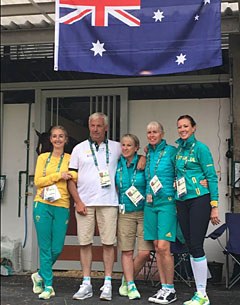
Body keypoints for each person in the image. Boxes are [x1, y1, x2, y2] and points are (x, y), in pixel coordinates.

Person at [68, 112, 122, 301]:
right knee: (85, 243)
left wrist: (142, 157)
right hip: (85, 203)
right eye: (93, 125)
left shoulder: (117, 147)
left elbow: (133, 160)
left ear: (106, 127)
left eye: (99, 126)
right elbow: (71, 180)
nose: (96, 129)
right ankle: (86, 283)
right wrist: (78, 201)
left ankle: (107, 283)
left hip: (109, 202)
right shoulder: (78, 149)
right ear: (89, 127)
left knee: (108, 243)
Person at [174, 115, 220, 305]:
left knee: (196, 245)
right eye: (179, 127)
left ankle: (202, 294)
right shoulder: (177, 150)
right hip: (181, 200)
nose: (182, 129)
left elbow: (211, 177)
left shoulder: (201, 148)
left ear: (194, 128)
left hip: (200, 199)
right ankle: (200, 290)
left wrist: (214, 206)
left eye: (186, 126)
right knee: (190, 245)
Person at [31, 125, 77, 300]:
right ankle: (48, 285)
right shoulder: (43, 158)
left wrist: (71, 175)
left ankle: (39, 274)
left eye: (61, 136)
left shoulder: (71, 158)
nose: (57, 139)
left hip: (62, 204)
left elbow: (77, 176)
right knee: (45, 247)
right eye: (54, 136)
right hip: (42, 204)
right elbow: (37, 181)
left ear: (66, 140)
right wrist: (58, 175)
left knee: (57, 248)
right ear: (50, 139)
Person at [144, 121, 178, 304]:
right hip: (150, 204)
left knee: (164, 247)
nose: (151, 135)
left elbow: (182, 170)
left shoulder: (171, 151)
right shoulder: (148, 153)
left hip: (167, 203)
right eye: (149, 132)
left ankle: (171, 289)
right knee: (157, 246)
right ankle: (164, 287)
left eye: (155, 132)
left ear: (162, 133)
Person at [116, 134, 153, 300]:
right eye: (123, 145)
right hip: (125, 212)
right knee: (127, 250)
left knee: (145, 252)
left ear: (136, 147)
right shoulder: (117, 163)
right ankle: (131, 284)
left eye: (129, 145)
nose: (125, 148)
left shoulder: (143, 162)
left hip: (144, 211)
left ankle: (126, 279)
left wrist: (145, 156)